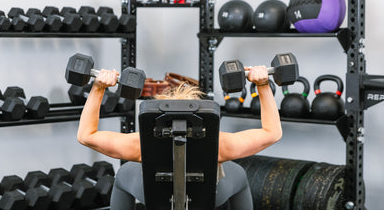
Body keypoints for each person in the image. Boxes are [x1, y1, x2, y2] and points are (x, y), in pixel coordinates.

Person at [77, 65, 282, 209]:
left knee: (123, 174)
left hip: (153, 197)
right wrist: (262, 85)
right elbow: (272, 132)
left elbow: (86, 135)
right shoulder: (220, 144)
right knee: (238, 173)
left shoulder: (139, 144)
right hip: (210, 198)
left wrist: (98, 87)